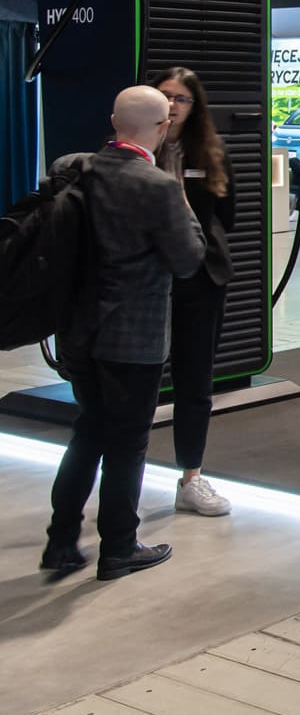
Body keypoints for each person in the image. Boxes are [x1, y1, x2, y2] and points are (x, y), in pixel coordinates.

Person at [43, 86, 206, 581]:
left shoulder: (70, 168)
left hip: (78, 333)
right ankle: (118, 547)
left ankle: (61, 541)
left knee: (89, 431)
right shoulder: (156, 186)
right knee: (127, 444)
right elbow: (189, 258)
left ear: (114, 121)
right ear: (163, 128)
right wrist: (180, 197)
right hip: (133, 339)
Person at [153, 68, 238, 518]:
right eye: (165, 95)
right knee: (139, 380)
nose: (172, 105)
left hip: (201, 278)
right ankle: (119, 477)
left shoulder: (211, 150)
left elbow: (229, 214)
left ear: (194, 105)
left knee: (195, 381)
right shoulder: (135, 149)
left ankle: (191, 477)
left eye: (181, 98)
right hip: (146, 279)